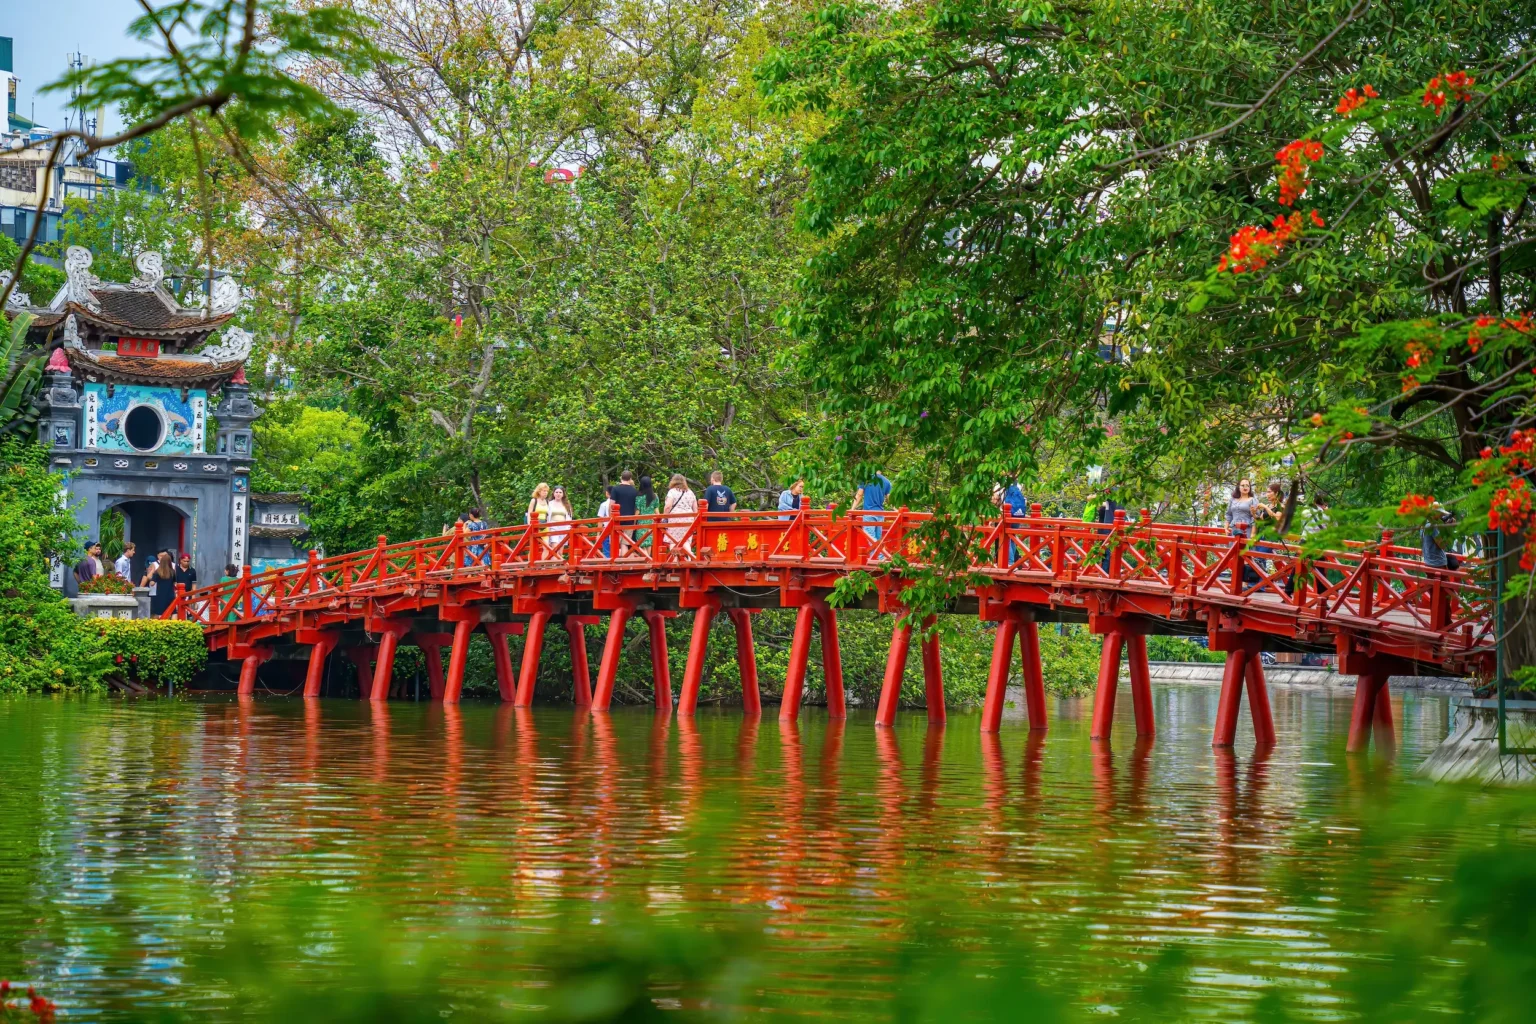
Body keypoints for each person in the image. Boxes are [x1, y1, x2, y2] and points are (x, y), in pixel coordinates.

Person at [662, 473, 698, 552]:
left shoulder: (672, 492)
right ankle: (690, 557)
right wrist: (696, 520)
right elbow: (695, 508)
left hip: (675, 519)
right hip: (689, 520)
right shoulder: (690, 492)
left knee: (673, 541)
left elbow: (668, 506)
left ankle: (674, 558)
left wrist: (664, 517)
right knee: (686, 540)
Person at [853, 472, 893, 541]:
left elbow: (859, 494)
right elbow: (890, 500)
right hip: (880, 514)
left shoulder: (866, 479)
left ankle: (878, 549)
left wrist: (852, 509)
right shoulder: (887, 482)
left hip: (869, 512)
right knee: (877, 539)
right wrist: (897, 510)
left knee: (870, 537)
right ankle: (879, 548)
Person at [141, 551, 177, 617]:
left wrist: (152, 574)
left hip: (160, 595)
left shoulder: (158, 572)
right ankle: (174, 623)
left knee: (159, 612)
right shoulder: (172, 572)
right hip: (170, 594)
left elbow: (152, 583)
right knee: (173, 612)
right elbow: (175, 583)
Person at [546, 487, 573, 554]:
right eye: (557, 492)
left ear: (563, 494)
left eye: (560, 492)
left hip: (563, 527)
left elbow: (569, 517)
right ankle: (554, 561)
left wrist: (569, 528)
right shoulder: (549, 503)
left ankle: (559, 561)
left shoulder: (566, 504)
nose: (558, 494)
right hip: (553, 527)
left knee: (560, 552)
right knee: (555, 549)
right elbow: (546, 516)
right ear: (553, 493)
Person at [635, 475, 660, 547]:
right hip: (651, 523)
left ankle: (645, 555)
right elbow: (657, 512)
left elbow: (637, 512)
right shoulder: (655, 496)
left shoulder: (639, 497)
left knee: (641, 543)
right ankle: (648, 555)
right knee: (649, 543)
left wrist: (633, 523)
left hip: (641, 523)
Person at [597, 486, 614, 557]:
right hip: (617, 530)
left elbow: (600, 520)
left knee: (607, 551)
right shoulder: (618, 503)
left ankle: (607, 561)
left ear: (607, 493)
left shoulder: (603, 505)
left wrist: (598, 534)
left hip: (606, 529)